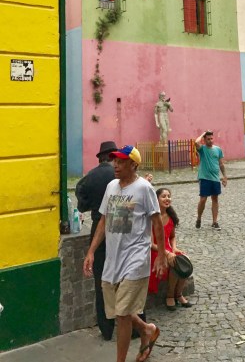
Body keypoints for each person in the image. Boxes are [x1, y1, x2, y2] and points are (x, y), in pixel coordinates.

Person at [83, 145, 167, 362]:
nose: (116, 165)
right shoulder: (111, 186)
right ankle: (146, 329)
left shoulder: (144, 188)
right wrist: (91, 251)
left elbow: (157, 221)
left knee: (121, 315)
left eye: (120, 162)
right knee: (119, 309)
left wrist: (161, 254)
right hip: (113, 258)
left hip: (136, 257)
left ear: (133, 164)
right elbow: (103, 220)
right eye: (115, 161)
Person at [76, 140, 118, 340]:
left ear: (100, 157)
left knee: (102, 279)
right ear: (113, 157)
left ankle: (106, 328)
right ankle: (135, 326)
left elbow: (81, 205)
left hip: (97, 227)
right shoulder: (118, 175)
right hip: (121, 225)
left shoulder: (89, 178)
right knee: (125, 275)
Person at [149, 188, 192, 311]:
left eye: (169, 196)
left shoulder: (171, 216)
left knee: (185, 260)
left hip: (167, 249)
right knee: (174, 263)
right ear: (156, 199)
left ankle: (178, 294)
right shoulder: (151, 218)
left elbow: (172, 236)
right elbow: (150, 243)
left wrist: (174, 248)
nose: (167, 198)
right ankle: (170, 295)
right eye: (163, 196)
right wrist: (166, 253)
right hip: (155, 251)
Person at [195, 130, 227, 230]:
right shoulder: (202, 149)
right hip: (204, 178)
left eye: (211, 138)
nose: (210, 140)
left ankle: (215, 221)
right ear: (204, 140)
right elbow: (196, 142)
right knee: (203, 199)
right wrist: (203, 134)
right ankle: (199, 218)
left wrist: (224, 176)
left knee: (215, 199)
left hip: (215, 178)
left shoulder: (218, 150)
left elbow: (221, 164)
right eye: (208, 139)